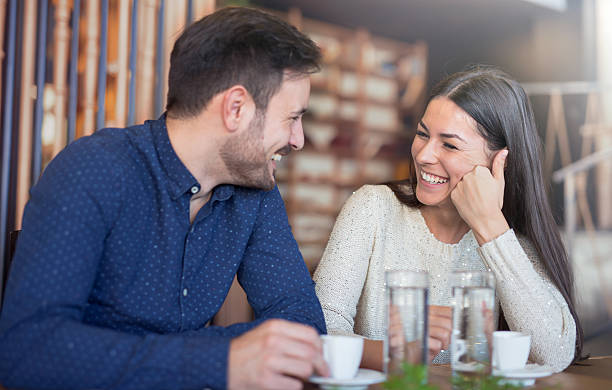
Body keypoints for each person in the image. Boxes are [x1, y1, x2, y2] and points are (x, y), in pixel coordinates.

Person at [0, 7, 330, 390]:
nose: (298, 140)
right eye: (292, 118)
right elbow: (26, 350)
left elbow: (303, 322)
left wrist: (196, 358)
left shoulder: (255, 194)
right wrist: (220, 360)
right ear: (235, 108)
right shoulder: (94, 171)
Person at [313, 66, 583, 373]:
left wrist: (490, 227)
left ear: (499, 162)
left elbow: (556, 354)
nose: (424, 155)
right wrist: (396, 353)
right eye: (422, 134)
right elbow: (319, 327)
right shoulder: (373, 207)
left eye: (450, 145)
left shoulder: (514, 240)